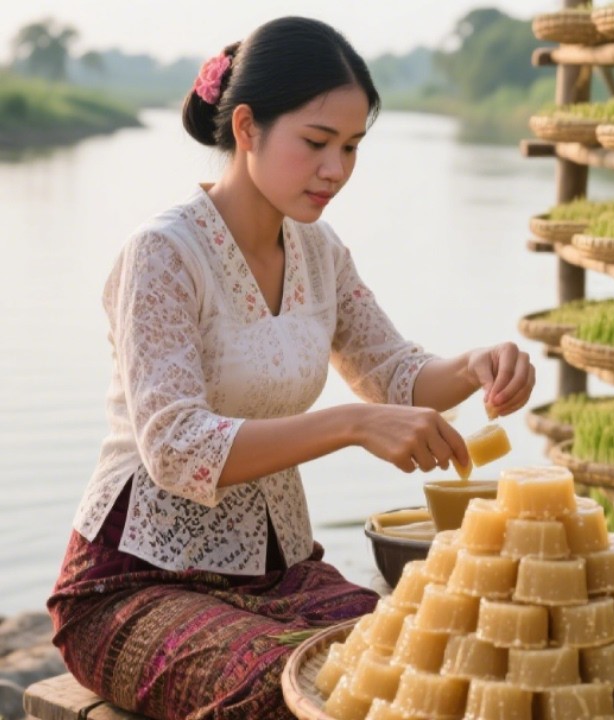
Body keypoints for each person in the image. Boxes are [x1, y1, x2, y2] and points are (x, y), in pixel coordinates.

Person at [46, 16, 535, 719]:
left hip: (279, 575)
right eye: (315, 142)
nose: (335, 169)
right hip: (133, 587)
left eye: (351, 147)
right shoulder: (164, 254)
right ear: (246, 128)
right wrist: (352, 424)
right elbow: (178, 450)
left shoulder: (319, 251)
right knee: (301, 692)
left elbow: (394, 372)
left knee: (440, 654)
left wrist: (477, 365)